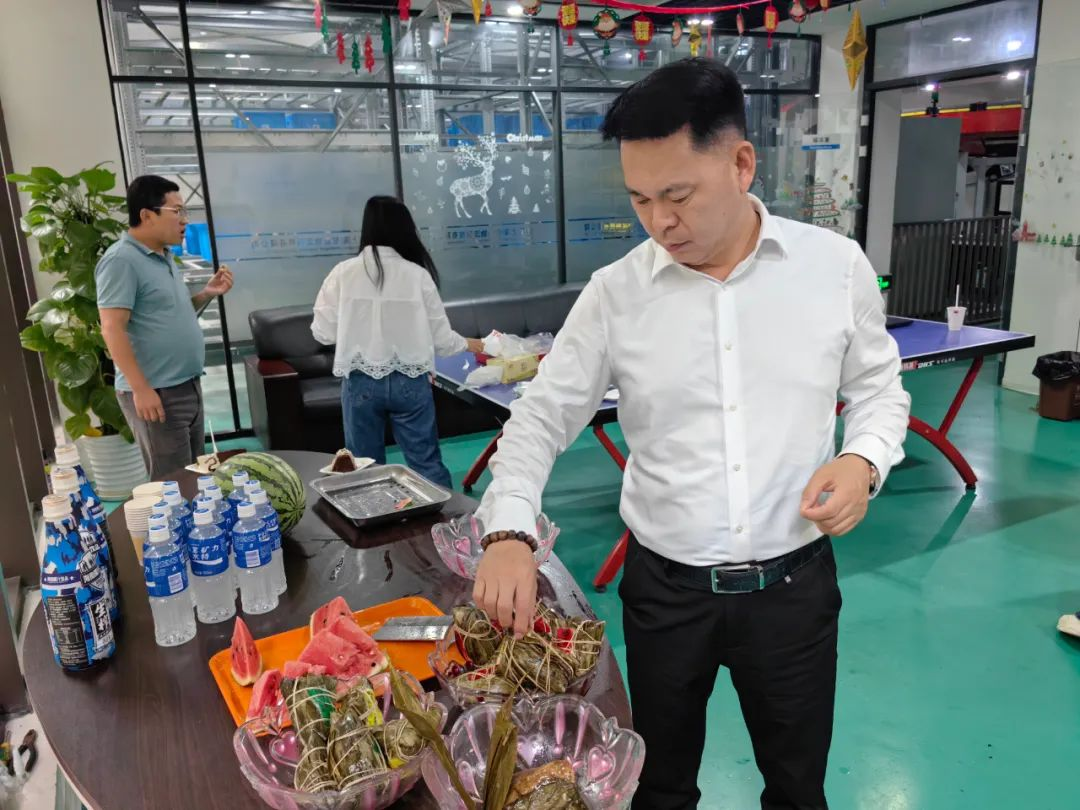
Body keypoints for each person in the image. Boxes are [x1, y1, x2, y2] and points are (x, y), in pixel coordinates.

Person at [472, 59, 911, 810]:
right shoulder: (617, 294)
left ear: (741, 164)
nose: (659, 222)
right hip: (665, 595)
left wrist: (862, 459)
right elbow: (541, 416)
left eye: (677, 196)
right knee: (659, 788)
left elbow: (878, 389)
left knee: (798, 788)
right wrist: (509, 530)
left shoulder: (833, 268)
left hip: (794, 591)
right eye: (640, 200)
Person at [311, 195, 484, 488]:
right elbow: (443, 341)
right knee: (426, 463)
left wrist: (354, 327)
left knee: (362, 467)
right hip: (411, 380)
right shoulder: (418, 275)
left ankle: (373, 515)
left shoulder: (342, 273)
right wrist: (471, 344)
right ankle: (445, 515)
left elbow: (322, 333)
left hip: (360, 380)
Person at [97, 175, 233, 480]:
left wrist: (206, 294)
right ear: (147, 215)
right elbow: (112, 328)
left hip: (187, 384)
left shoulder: (164, 256)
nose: (185, 220)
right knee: (173, 485)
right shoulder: (121, 261)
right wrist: (141, 389)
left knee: (197, 479)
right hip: (157, 392)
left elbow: (170, 315)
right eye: (177, 211)